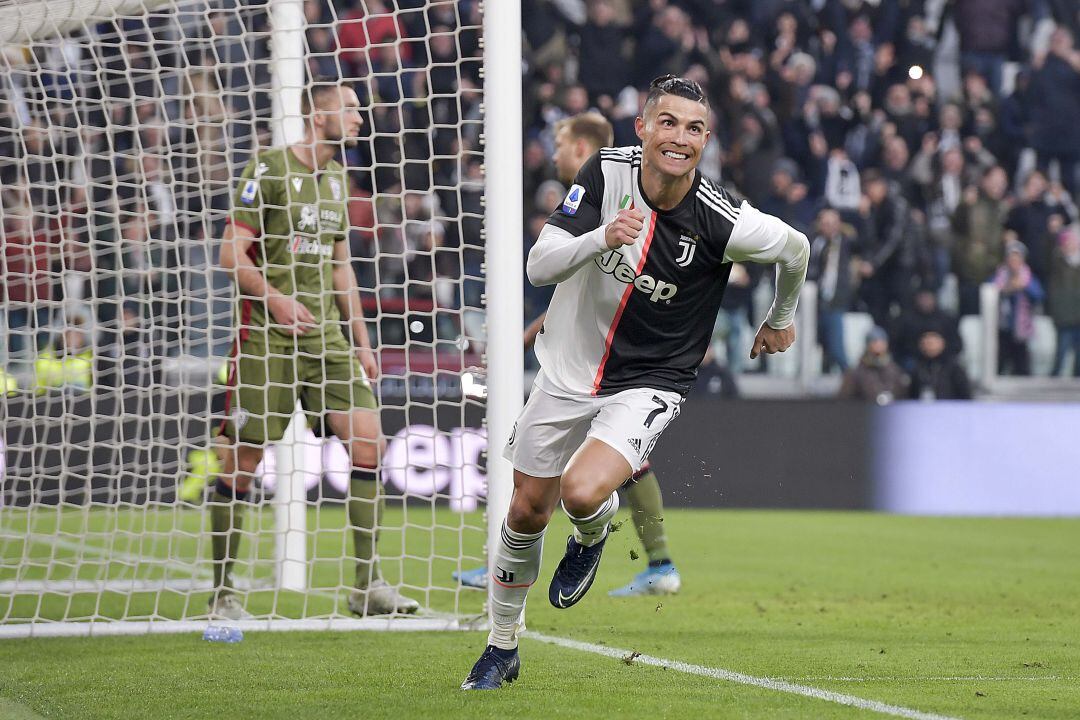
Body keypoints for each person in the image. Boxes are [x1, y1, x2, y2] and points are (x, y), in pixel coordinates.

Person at [461, 75, 809, 690]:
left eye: (694, 128)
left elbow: (797, 247)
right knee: (525, 511)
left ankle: (593, 531)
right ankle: (502, 646)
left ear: (706, 141)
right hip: (568, 367)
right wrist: (601, 237)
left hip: (652, 378)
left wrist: (780, 319)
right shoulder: (604, 172)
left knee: (581, 492)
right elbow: (538, 266)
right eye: (667, 122)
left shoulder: (722, 218)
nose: (679, 137)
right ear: (642, 127)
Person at [208, 78, 418, 620]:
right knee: (243, 461)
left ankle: (368, 585)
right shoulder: (268, 169)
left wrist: (363, 342)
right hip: (267, 338)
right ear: (317, 116)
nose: (359, 118)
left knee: (369, 443)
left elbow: (340, 266)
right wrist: (276, 300)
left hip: (326, 339)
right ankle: (223, 593)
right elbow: (231, 254)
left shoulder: (338, 179)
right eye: (348, 109)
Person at [454, 112, 683, 597]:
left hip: (617, 361)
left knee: (604, 465)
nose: (554, 154)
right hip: (592, 354)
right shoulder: (599, 196)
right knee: (588, 467)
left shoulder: (613, 196)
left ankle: (657, 563)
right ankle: (655, 564)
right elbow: (580, 289)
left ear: (581, 148)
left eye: (560, 144)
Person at [993, 241, 1045, 376]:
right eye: (1011, 258)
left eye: (1017, 258)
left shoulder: (1028, 277)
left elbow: (1039, 295)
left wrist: (1024, 286)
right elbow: (989, 291)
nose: (1014, 262)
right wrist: (1006, 289)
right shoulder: (1000, 275)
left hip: (1020, 329)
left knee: (1022, 366)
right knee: (999, 364)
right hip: (1003, 327)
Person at [838, 326, 908, 403]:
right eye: (874, 342)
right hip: (864, 408)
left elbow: (903, 396)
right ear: (868, 345)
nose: (878, 345)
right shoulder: (855, 373)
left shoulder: (895, 371)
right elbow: (844, 400)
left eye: (881, 342)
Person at [908, 330, 973, 400]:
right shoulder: (918, 367)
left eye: (932, 343)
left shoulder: (954, 367)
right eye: (926, 343)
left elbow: (965, 393)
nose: (929, 346)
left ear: (942, 343)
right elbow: (912, 394)